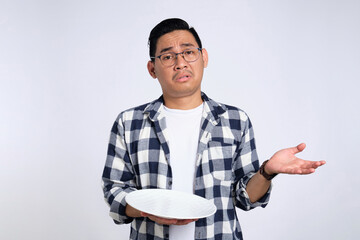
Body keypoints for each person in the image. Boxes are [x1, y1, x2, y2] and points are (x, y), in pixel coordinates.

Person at [101, 18, 326, 240]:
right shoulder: (129, 123)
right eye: (168, 56)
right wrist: (145, 210)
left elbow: (245, 198)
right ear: (152, 69)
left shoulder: (235, 120)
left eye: (188, 52)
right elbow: (115, 191)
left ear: (204, 57)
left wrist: (267, 171)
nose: (180, 63)